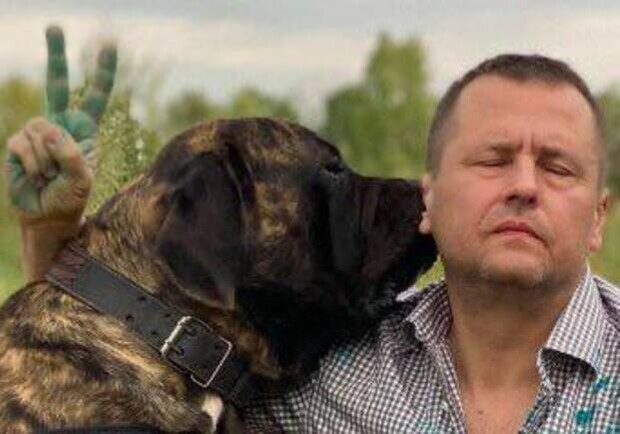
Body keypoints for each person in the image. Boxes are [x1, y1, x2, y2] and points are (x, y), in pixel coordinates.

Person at [7, 36, 619, 433]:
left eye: (558, 168)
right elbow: (111, 359)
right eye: (493, 160)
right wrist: (51, 229)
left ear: (598, 216)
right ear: (430, 197)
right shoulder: (332, 364)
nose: (524, 186)